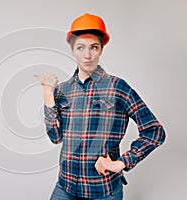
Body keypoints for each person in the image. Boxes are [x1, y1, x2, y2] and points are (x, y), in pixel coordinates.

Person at [34, 13, 166, 200]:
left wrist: (122, 163)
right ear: (72, 50)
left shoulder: (118, 88)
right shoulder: (62, 91)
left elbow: (155, 131)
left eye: (93, 47)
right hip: (66, 186)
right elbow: (55, 138)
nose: (87, 55)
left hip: (103, 191)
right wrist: (48, 97)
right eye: (80, 48)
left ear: (101, 50)